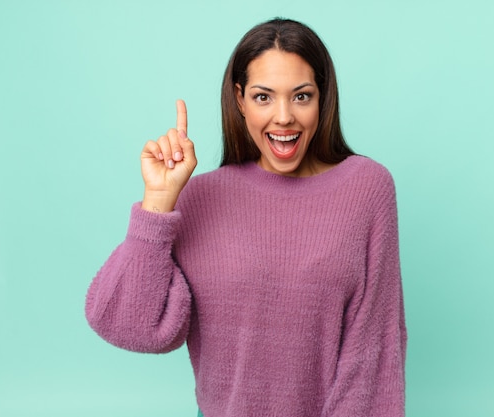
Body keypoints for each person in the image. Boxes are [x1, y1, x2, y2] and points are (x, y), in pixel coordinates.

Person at [85, 18, 407, 417]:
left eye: (301, 96)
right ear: (239, 99)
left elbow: (371, 355)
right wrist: (158, 201)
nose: (284, 116)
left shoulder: (366, 188)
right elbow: (129, 325)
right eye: (263, 97)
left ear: (323, 97)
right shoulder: (199, 196)